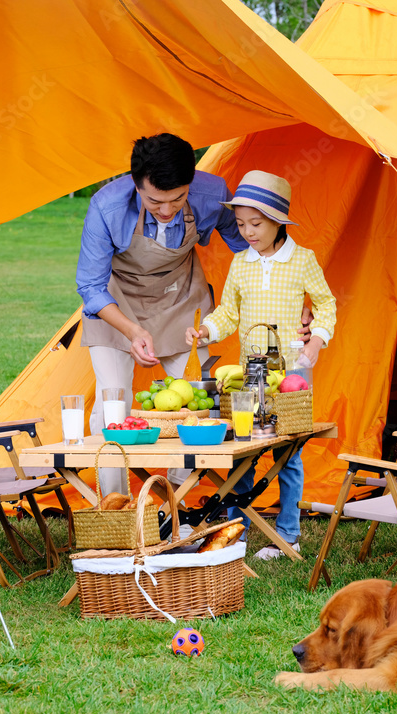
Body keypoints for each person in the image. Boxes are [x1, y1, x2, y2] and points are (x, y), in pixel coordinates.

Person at [76, 133, 250, 495]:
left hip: (181, 299)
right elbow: (90, 287)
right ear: (136, 185)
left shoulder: (212, 193)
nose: (168, 210)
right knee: (113, 403)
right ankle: (115, 504)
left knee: (198, 406)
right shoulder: (106, 206)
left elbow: (247, 251)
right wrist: (131, 330)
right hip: (117, 304)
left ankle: (177, 499)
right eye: (155, 201)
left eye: (178, 199)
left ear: (191, 184)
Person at [186, 170, 336, 560]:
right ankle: (237, 530)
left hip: (293, 372)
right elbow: (228, 314)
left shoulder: (303, 260)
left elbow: (326, 304)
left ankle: (288, 532)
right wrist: (206, 330)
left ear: (277, 222)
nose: (247, 232)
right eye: (240, 224)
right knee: (246, 452)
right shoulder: (241, 263)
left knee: (288, 454)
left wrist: (316, 341)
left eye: (256, 223)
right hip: (248, 375)